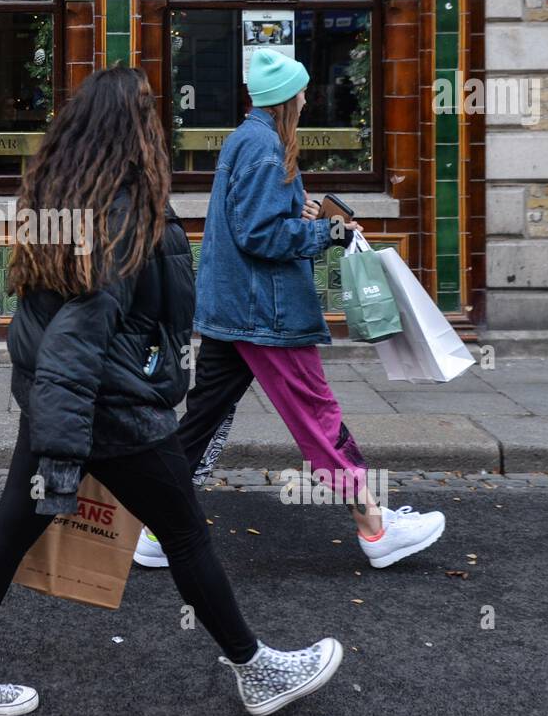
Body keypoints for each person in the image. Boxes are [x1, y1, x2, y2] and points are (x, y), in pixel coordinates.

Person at [0, 66, 343, 716]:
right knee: (185, 535)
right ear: (136, 131)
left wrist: (55, 443)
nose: (161, 126)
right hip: (109, 408)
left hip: (58, 401)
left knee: (11, 528)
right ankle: (256, 670)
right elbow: (77, 333)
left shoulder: (66, 192)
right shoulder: (122, 210)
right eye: (152, 116)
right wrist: (67, 456)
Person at [133, 48, 445, 571]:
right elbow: (261, 235)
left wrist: (299, 213)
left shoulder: (249, 140)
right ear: (284, 99)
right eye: (300, 90)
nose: (306, 97)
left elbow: (249, 221)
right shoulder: (265, 149)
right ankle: (375, 525)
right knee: (317, 414)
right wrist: (327, 231)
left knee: (203, 421)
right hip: (266, 314)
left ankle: (156, 530)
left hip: (235, 309)